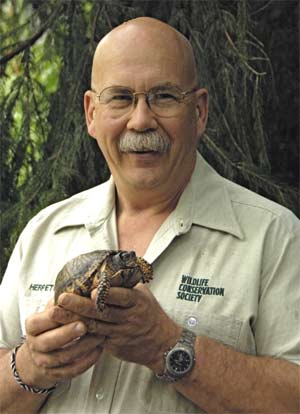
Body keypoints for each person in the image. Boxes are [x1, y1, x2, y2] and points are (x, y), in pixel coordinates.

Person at [0, 16, 299, 414]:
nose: (141, 120)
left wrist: (169, 347)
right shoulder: (44, 232)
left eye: (163, 96)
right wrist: (31, 366)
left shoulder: (274, 237)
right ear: (91, 113)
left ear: (200, 111)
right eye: (121, 97)